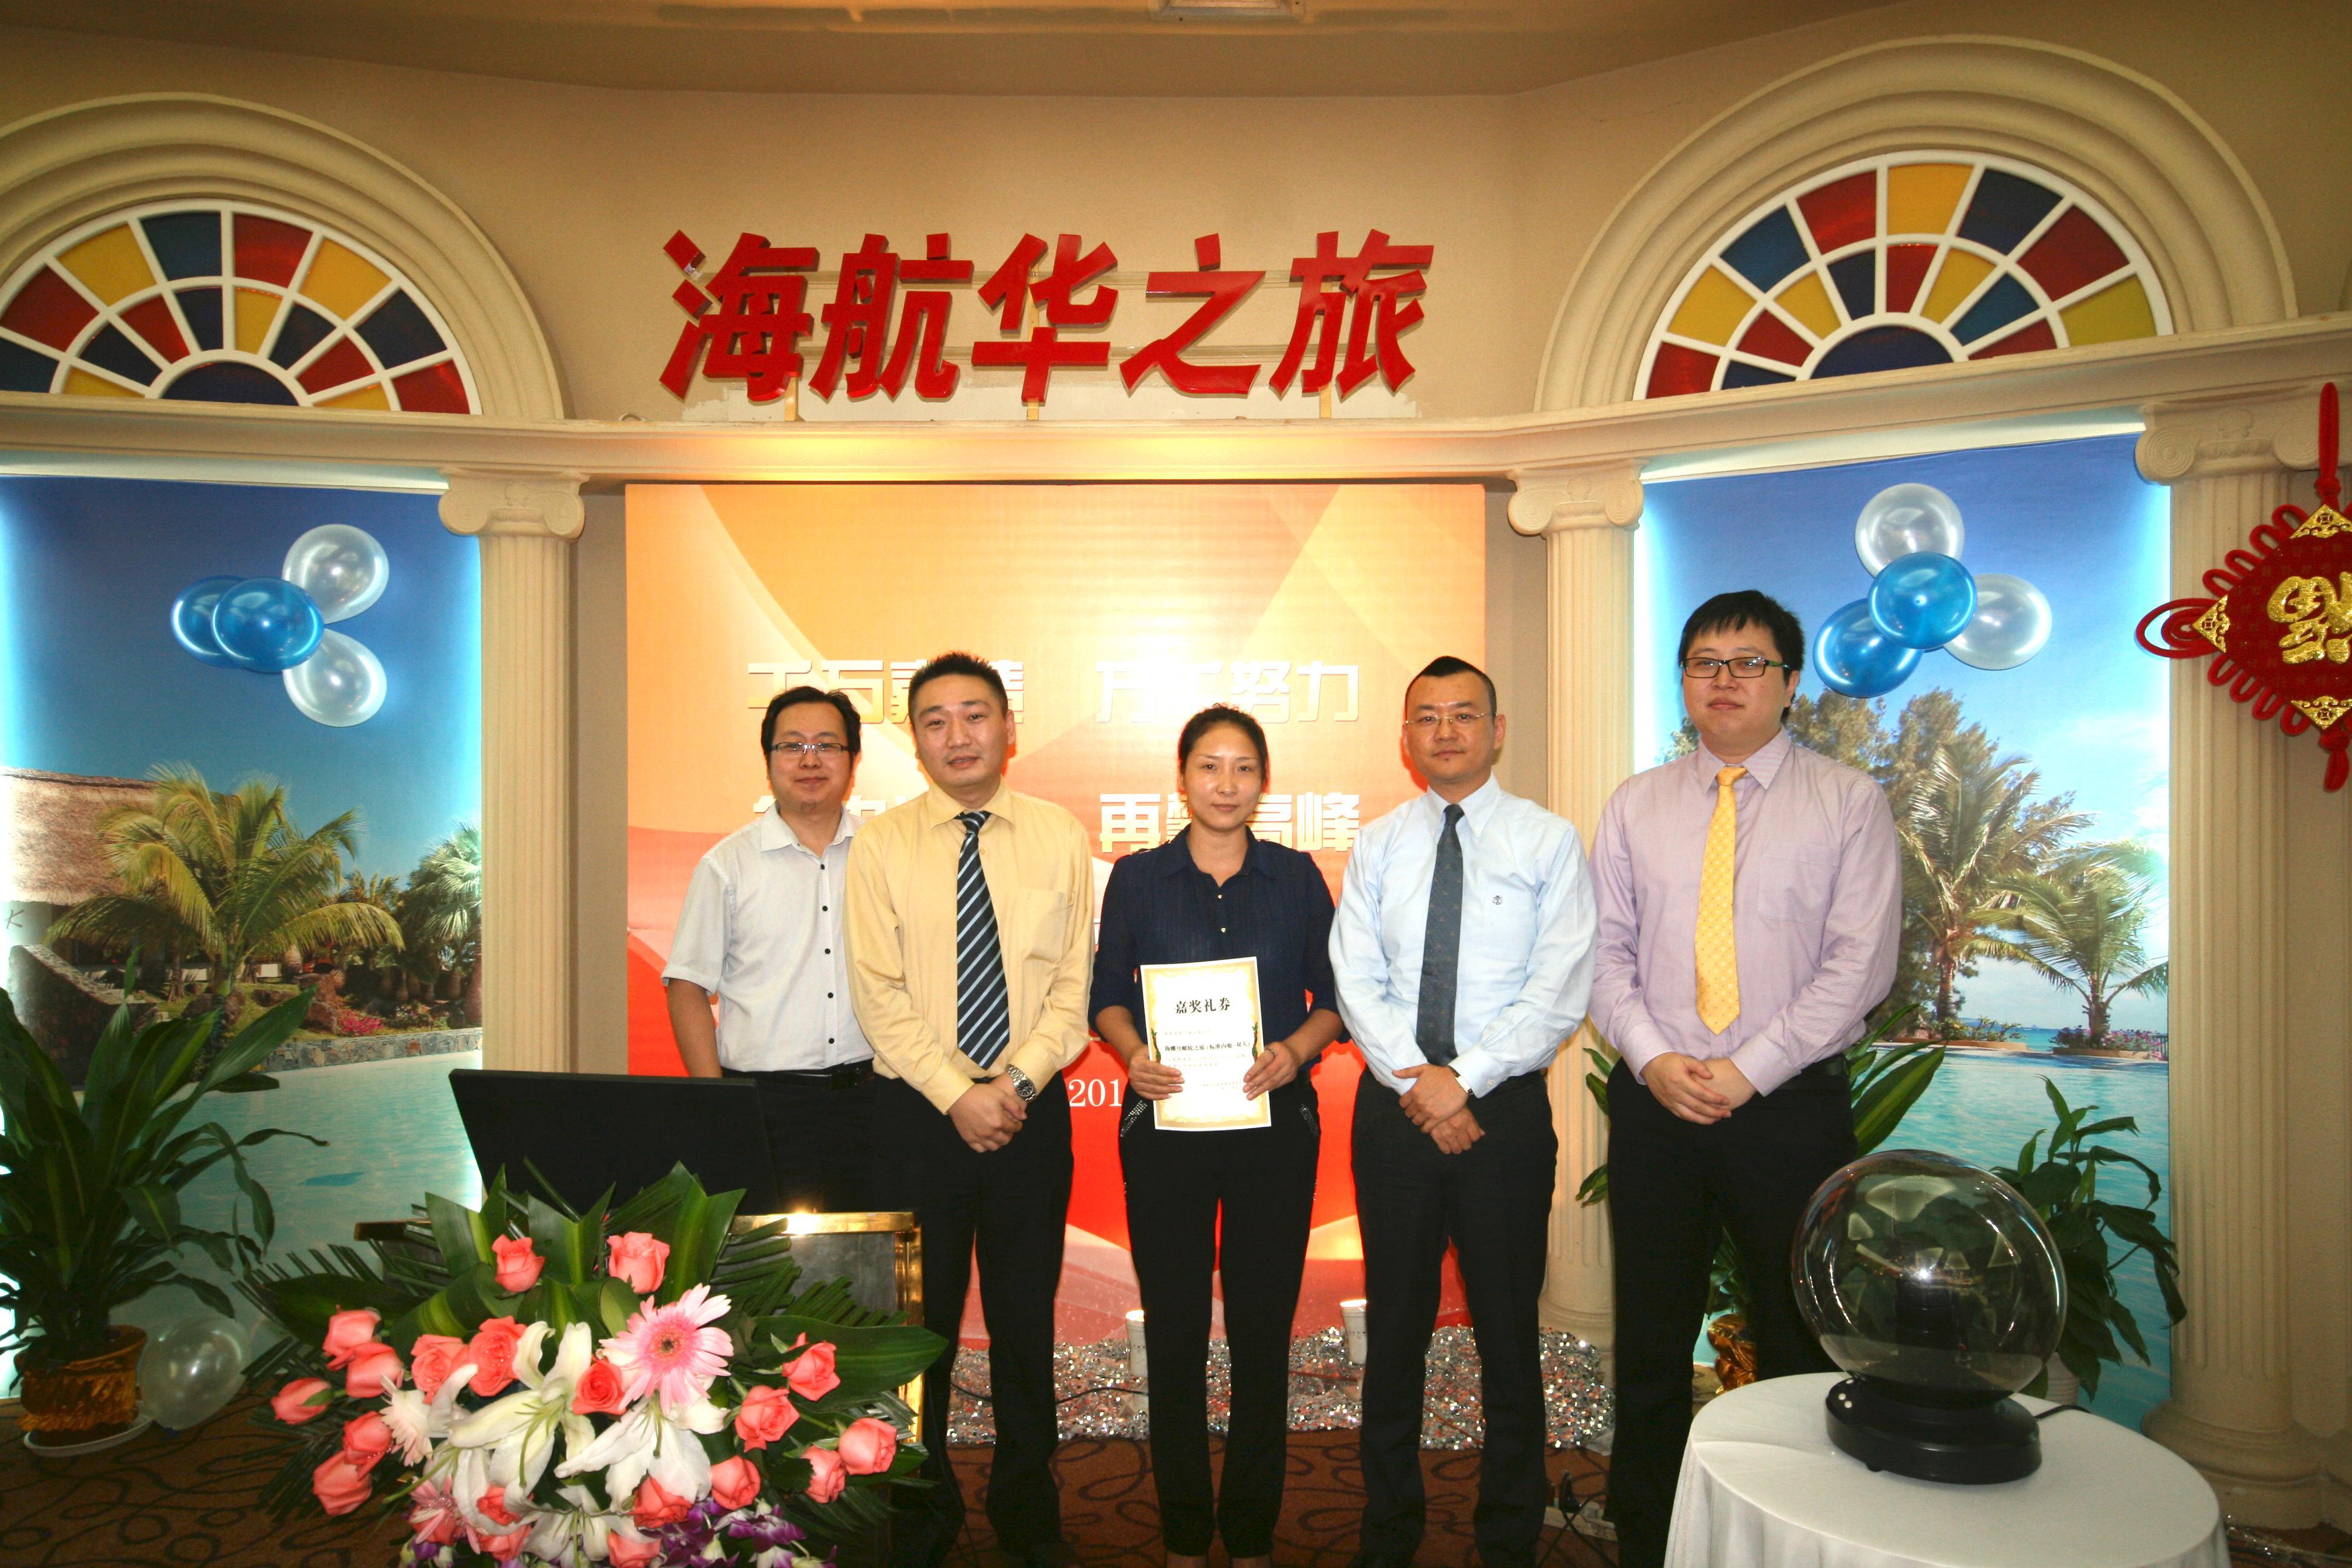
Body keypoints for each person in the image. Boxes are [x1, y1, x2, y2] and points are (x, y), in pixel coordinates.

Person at [1590, 590, 1903, 1568]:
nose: (1724, 680)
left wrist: (1747, 1070)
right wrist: (1654, 1059)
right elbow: (1603, 955)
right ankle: (1645, 1533)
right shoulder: (1635, 804)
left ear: (1791, 682)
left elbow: (1860, 967)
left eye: (1749, 662)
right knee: (1650, 1336)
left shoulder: (1846, 800)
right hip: (1659, 1102)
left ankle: (1793, 1538)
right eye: (1705, 662)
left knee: (1798, 1337)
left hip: (1790, 1105)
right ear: (1684, 681)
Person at [1329, 655, 1597, 1568]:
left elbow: (1559, 987)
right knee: (1395, 1332)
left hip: (1503, 1120)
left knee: (1508, 1333)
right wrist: (1422, 1086)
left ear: (1497, 730)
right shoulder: (1377, 845)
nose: (1445, 731)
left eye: (1464, 714)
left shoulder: (1547, 841)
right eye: (1427, 717)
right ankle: (1388, 1530)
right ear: (1405, 738)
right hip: (1396, 1116)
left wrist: (1466, 1080)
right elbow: (1356, 978)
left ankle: (1509, 1534)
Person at [845, 651, 1094, 1568]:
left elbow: (1073, 989)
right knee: (920, 1335)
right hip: (917, 1118)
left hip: (1031, 1114)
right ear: (916, 742)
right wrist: (957, 1095)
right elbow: (877, 994)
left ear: (1008, 729)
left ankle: (1029, 1514)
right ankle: (921, 1515)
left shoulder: (1060, 835)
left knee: (1026, 1324)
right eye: (936, 720)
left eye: (975, 715)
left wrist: (1012, 1087)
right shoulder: (882, 845)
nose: (958, 735)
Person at [1092, 705, 1347, 1568]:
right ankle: (1182, 1531)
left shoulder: (1296, 877)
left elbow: (1334, 998)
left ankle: (1249, 1531)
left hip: (1273, 1129)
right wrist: (1134, 1055)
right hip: (1167, 1128)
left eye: (1243, 768)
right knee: (1174, 1332)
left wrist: (1295, 1052)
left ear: (1263, 782)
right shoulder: (1138, 879)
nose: (1226, 784)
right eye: (1209, 766)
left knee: (1261, 1334)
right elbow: (1106, 995)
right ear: (1182, 777)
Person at [662, 684, 874, 1212]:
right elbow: (687, 987)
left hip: (874, 1101)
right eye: (792, 745)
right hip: (763, 1106)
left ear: (853, 759)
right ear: (768, 760)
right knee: (770, 1258)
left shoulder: (884, 854)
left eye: (827, 745)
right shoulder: (727, 865)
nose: (810, 760)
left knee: (871, 1257)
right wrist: (718, 1107)